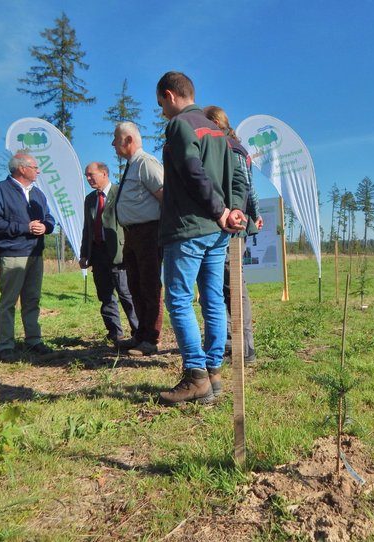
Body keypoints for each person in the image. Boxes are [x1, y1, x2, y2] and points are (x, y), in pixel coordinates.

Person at [155, 71, 246, 405]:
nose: (162, 111)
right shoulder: (218, 131)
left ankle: (196, 377)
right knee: (212, 301)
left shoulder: (181, 125)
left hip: (190, 227)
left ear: (169, 95)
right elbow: (237, 174)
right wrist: (232, 211)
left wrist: (219, 209)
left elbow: (192, 170)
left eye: (161, 104)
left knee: (178, 299)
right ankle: (214, 373)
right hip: (217, 231)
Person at [203, 105, 264, 365]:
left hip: (230, 224)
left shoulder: (229, 147)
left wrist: (250, 213)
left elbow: (244, 186)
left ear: (216, 123)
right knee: (225, 285)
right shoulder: (231, 146)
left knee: (233, 285)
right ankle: (231, 341)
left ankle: (245, 346)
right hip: (228, 222)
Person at [0, 153, 55, 362]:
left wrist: (46, 226)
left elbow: (49, 217)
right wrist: (24, 228)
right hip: (12, 253)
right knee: (9, 301)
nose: (38, 170)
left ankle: (33, 340)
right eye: (35, 167)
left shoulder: (38, 194)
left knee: (32, 299)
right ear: (22, 168)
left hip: (35, 253)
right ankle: (5, 346)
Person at [112, 122, 164, 356]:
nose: (113, 143)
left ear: (129, 140)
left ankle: (151, 339)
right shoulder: (133, 165)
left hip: (148, 233)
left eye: (116, 139)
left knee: (149, 285)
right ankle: (140, 335)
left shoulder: (146, 163)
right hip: (132, 234)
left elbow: (165, 196)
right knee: (135, 285)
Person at [79, 162, 139, 344]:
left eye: (91, 175)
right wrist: (84, 254)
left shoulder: (120, 193)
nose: (88, 178)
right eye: (86, 175)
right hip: (97, 254)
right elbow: (87, 229)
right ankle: (115, 333)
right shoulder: (89, 200)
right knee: (105, 295)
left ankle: (139, 332)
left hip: (119, 253)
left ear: (104, 174)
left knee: (126, 294)